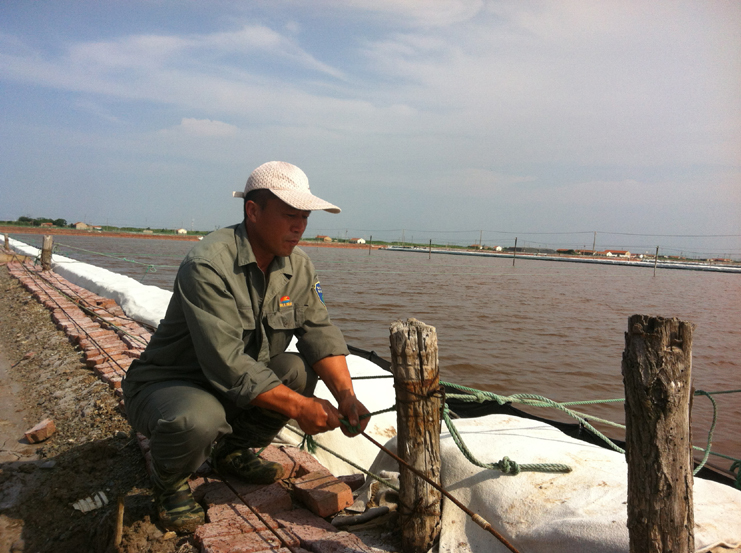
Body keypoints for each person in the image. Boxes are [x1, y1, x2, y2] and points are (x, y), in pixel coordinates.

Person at [122, 161, 370, 532]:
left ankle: (232, 452)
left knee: (298, 371)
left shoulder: (299, 267)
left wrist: (346, 396)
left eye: (305, 217)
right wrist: (299, 407)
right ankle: (169, 483)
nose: (299, 227)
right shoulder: (208, 264)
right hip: (172, 384)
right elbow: (227, 363)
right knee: (198, 418)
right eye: (289, 215)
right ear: (253, 211)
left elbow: (319, 331)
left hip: (236, 388)